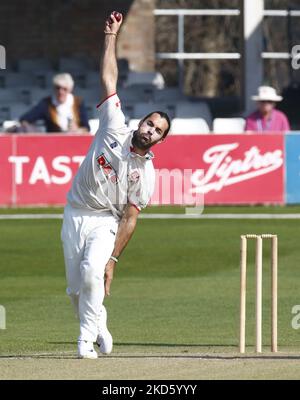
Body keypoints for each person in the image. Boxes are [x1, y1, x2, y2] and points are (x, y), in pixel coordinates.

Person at [61, 12, 171, 359]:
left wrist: (113, 259)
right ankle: (100, 325)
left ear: (160, 140)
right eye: (150, 123)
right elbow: (109, 79)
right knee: (77, 291)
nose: (150, 130)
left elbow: (131, 218)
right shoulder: (114, 126)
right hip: (75, 213)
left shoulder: (147, 174)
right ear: (140, 122)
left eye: (157, 131)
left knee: (94, 273)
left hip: (106, 221)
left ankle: (83, 341)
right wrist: (111, 35)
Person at [18, 73, 90, 133]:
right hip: (54, 143)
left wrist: (77, 130)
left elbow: (86, 128)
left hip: (75, 141)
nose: (60, 92)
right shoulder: (46, 103)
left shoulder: (78, 102)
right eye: (58, 88)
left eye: (64, 89)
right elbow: (25, 119)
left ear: (70, 89)